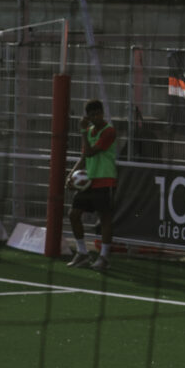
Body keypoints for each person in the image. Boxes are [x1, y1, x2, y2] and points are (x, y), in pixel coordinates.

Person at [67, 100, 121, 270]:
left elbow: (90, 152)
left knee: (104, 218)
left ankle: (104, 257)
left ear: (102, 113)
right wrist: (70, 176)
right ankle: (82, 253)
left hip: (105, 180)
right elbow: (84, 157)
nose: (96, 117)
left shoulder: (109, 131)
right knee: (73, 214)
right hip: (88, 182)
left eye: (98, 114)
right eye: (92, 115)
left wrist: (83, 131)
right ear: (88, 117)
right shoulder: (90, 131)